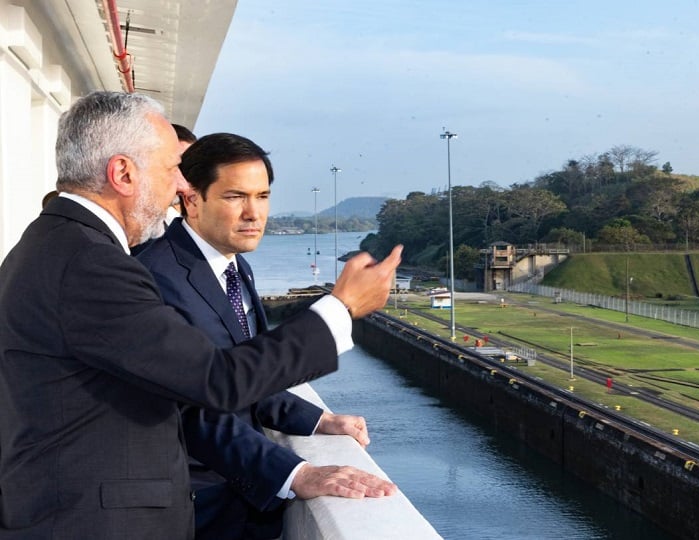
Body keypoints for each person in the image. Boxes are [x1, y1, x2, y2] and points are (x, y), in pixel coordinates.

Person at [0, 91, 402, 539]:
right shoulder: (91, 264)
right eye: (171, 168)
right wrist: (340, 308)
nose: (178, 186)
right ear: (123, 173)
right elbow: (213, 379)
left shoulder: (54, 245)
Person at [137, 133, 395, 539]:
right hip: (194, 508)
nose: (253, 214)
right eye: (235, 196)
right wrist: (297, 473)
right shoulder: (153, 276)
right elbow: (192, 409)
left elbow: (249, 372)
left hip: (240, 502)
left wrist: (317, 420)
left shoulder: (235, 267)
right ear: (192, 199)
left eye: (262, 196)